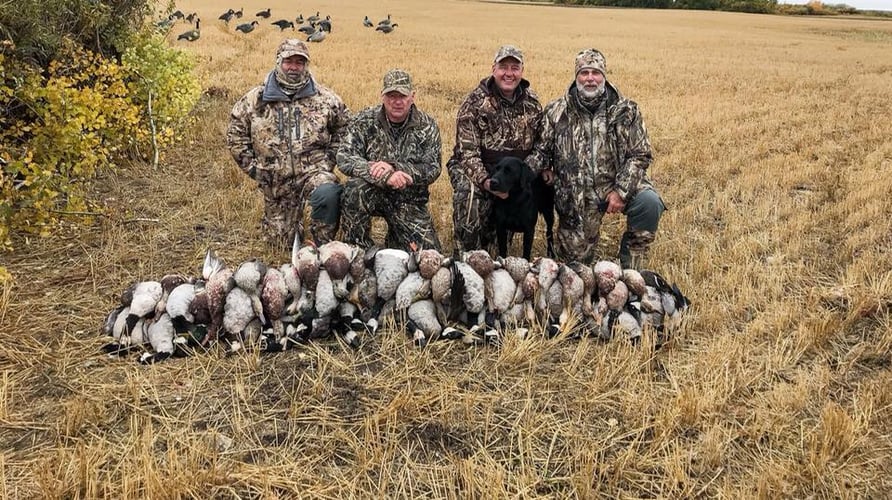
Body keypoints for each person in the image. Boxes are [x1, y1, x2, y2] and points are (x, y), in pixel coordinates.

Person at [527, 48, 665, 269]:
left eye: (595, 72)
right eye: (584, 73)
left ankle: (631, 261)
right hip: (577, 196)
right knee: (575, 269)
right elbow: (541, 152)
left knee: (649, 203)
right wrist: (525, 171)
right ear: (576, 76)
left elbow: (640, 154)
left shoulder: (626, 110)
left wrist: (620, 191)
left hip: (617, 183)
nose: (590, 78)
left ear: (604, 76)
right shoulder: (556, 111)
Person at [227, 39, 350, 249]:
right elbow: (236, 136)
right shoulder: (255, 100)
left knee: (328, 193)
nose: (294, 67)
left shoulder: (326, 99)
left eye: (299, 62)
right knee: (280, 245)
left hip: (313, 173)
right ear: (278, 62)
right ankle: (290, 229)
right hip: (276, 180)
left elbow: (345, 128)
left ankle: (323, 243)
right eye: (288, 62)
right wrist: (255, 170)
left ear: (306, 65)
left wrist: (329, 161)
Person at [446, 45, 543, 257]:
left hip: (513, 173)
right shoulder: (474, 103)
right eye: (503, 67)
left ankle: (500, 241)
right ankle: (466, 255)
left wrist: (524, 177)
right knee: (469, 196)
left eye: (515, 68)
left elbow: (541, 147)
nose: (509, 73)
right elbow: (467, 153)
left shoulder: (533, 104)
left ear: (522, 71)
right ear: (493, 69)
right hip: (477, 168)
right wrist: (486, 182)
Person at [336, 69, 443, 251]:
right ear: (382, 96)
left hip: (409, 199)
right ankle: (358, 250)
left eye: (402, 95)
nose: (397, 102)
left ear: (412, 96)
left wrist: (399, 169)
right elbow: (344, 157)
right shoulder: (365, 119)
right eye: (391, 96)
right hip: (372, 192)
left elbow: (433, 167)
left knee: (428, 256)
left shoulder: (427, 125)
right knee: (354, 189)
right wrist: (379, 173)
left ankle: (395, 238)